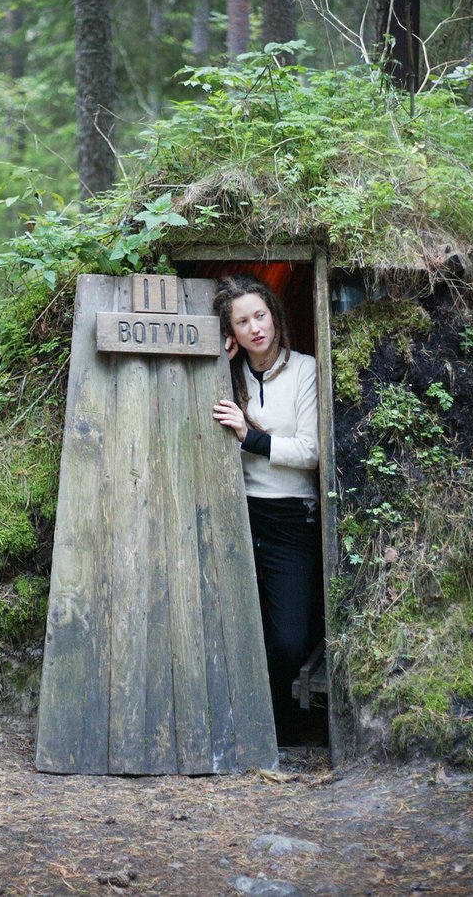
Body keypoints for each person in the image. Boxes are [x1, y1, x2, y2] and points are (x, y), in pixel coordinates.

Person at [212, 274, 321, 746]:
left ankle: (277, 721)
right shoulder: (228, 373)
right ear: (231, 332)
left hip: (291, 516)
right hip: (236, 513)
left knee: (289, 639)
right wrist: (216, 364)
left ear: (274, 315)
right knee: (229, 622)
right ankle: (239, 725)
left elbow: (310, 451)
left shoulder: (304, 370)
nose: (254, 327)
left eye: (260, 315)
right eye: (242, 321)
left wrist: (250, 437)